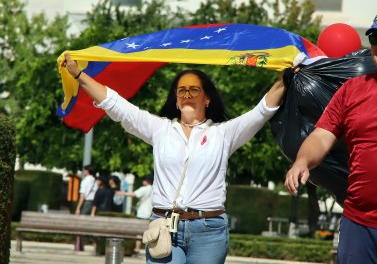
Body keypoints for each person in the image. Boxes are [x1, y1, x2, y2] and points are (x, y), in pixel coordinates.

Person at [63, 52, 285, 263]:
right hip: (164, 228)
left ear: (207, 99)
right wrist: (79, 75)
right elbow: (117, 105)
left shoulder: (224, 134)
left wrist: (288, 74)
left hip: (209, 231)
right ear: (176, 101)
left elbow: (262, 111)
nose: (187, 94)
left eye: (194, 90)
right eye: (181, 91)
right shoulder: (159, 129)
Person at [285, 5, 377, 263]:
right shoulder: (351, 89)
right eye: (376, 39)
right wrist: (302, 161)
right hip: (358, 224)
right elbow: (321, 135)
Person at [117, 175, 153, 254]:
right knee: (148, 232)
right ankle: (149, 248)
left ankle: (137, 248)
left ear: (147, 180)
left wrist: (121, 193)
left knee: (139, 232)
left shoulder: (144, 188)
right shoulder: (154, 189)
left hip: (142, 213)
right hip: (150, 213)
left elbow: (134, 194)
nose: (143, 181)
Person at [74, 164, 98, 251]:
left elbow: (82, 195)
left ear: (87, 171)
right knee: (93, 225)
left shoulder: (86, 181)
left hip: (87, 202)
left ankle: (80, 244)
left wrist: (78, 208)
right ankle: (96, 244)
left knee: (81, 224)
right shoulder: (95, 180)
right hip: (95, 204)